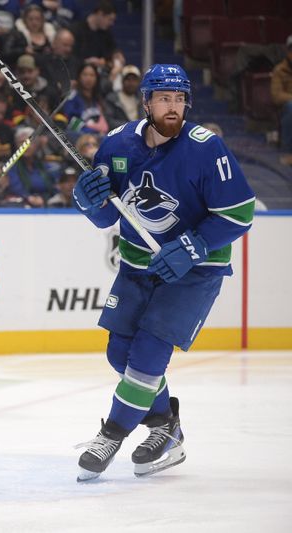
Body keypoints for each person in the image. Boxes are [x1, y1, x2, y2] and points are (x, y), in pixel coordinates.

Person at [72, 65, 256, 481]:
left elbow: (239, 213)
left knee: (151, 350)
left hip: (194, 269)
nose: (173, 107)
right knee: (120, 353)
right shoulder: (117, 144)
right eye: (164, 99)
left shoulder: (207, 148)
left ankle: (112, 433)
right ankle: (166, 429)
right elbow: (105, 217)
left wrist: (193, 245)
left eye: (179, 99)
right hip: (138, 264)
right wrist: (86, 200)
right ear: (147, 102)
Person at [271, 35, 292, 165]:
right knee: (291, 107)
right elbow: (276, 95)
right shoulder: (279, 70)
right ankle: (288, 152)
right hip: (287, 107)